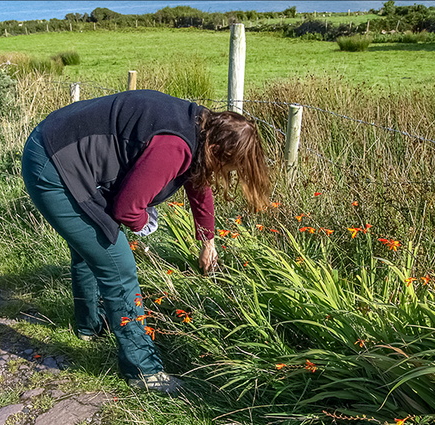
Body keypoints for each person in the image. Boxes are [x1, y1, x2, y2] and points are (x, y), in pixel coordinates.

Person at [21, 89, 270, 393]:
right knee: (119, 267)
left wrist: (208, 240)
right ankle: (143, 371)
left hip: (55, 146)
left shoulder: (202, 125)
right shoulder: (176, 145)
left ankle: (88, 328)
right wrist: (144, 226)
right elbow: (127, 207)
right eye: (229, 167)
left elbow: (198, 180)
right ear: (217, 149)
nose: (227, 174)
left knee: (90, 248)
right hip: (53, 165)